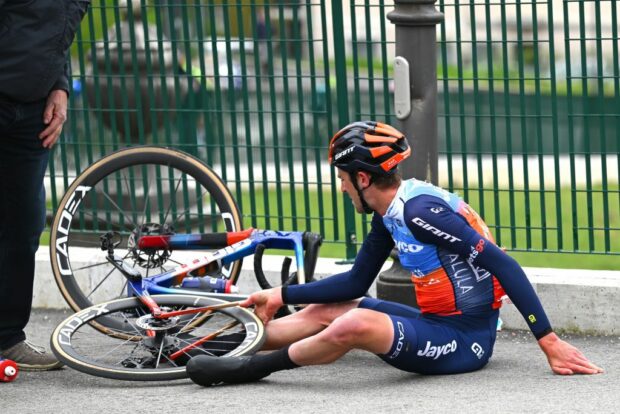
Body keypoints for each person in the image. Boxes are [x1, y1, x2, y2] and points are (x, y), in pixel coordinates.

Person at [186, 121, 603, 386]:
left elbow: (501, 262)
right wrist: (280, 297)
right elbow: (354, 281)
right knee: (325, 308)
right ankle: (200, 349)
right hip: (434, 322)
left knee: (355, 323)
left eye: (344, 180)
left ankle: (250, 370)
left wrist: (548, 340)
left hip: (465, 342)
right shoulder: (391, 212)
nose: (343, 188)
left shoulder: (420, 213)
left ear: (363, 177)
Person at [0, 0, 90, 370]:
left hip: (33, 110)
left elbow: (56, 37)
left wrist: (60, 86)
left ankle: (7, 338)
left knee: (24, 224)